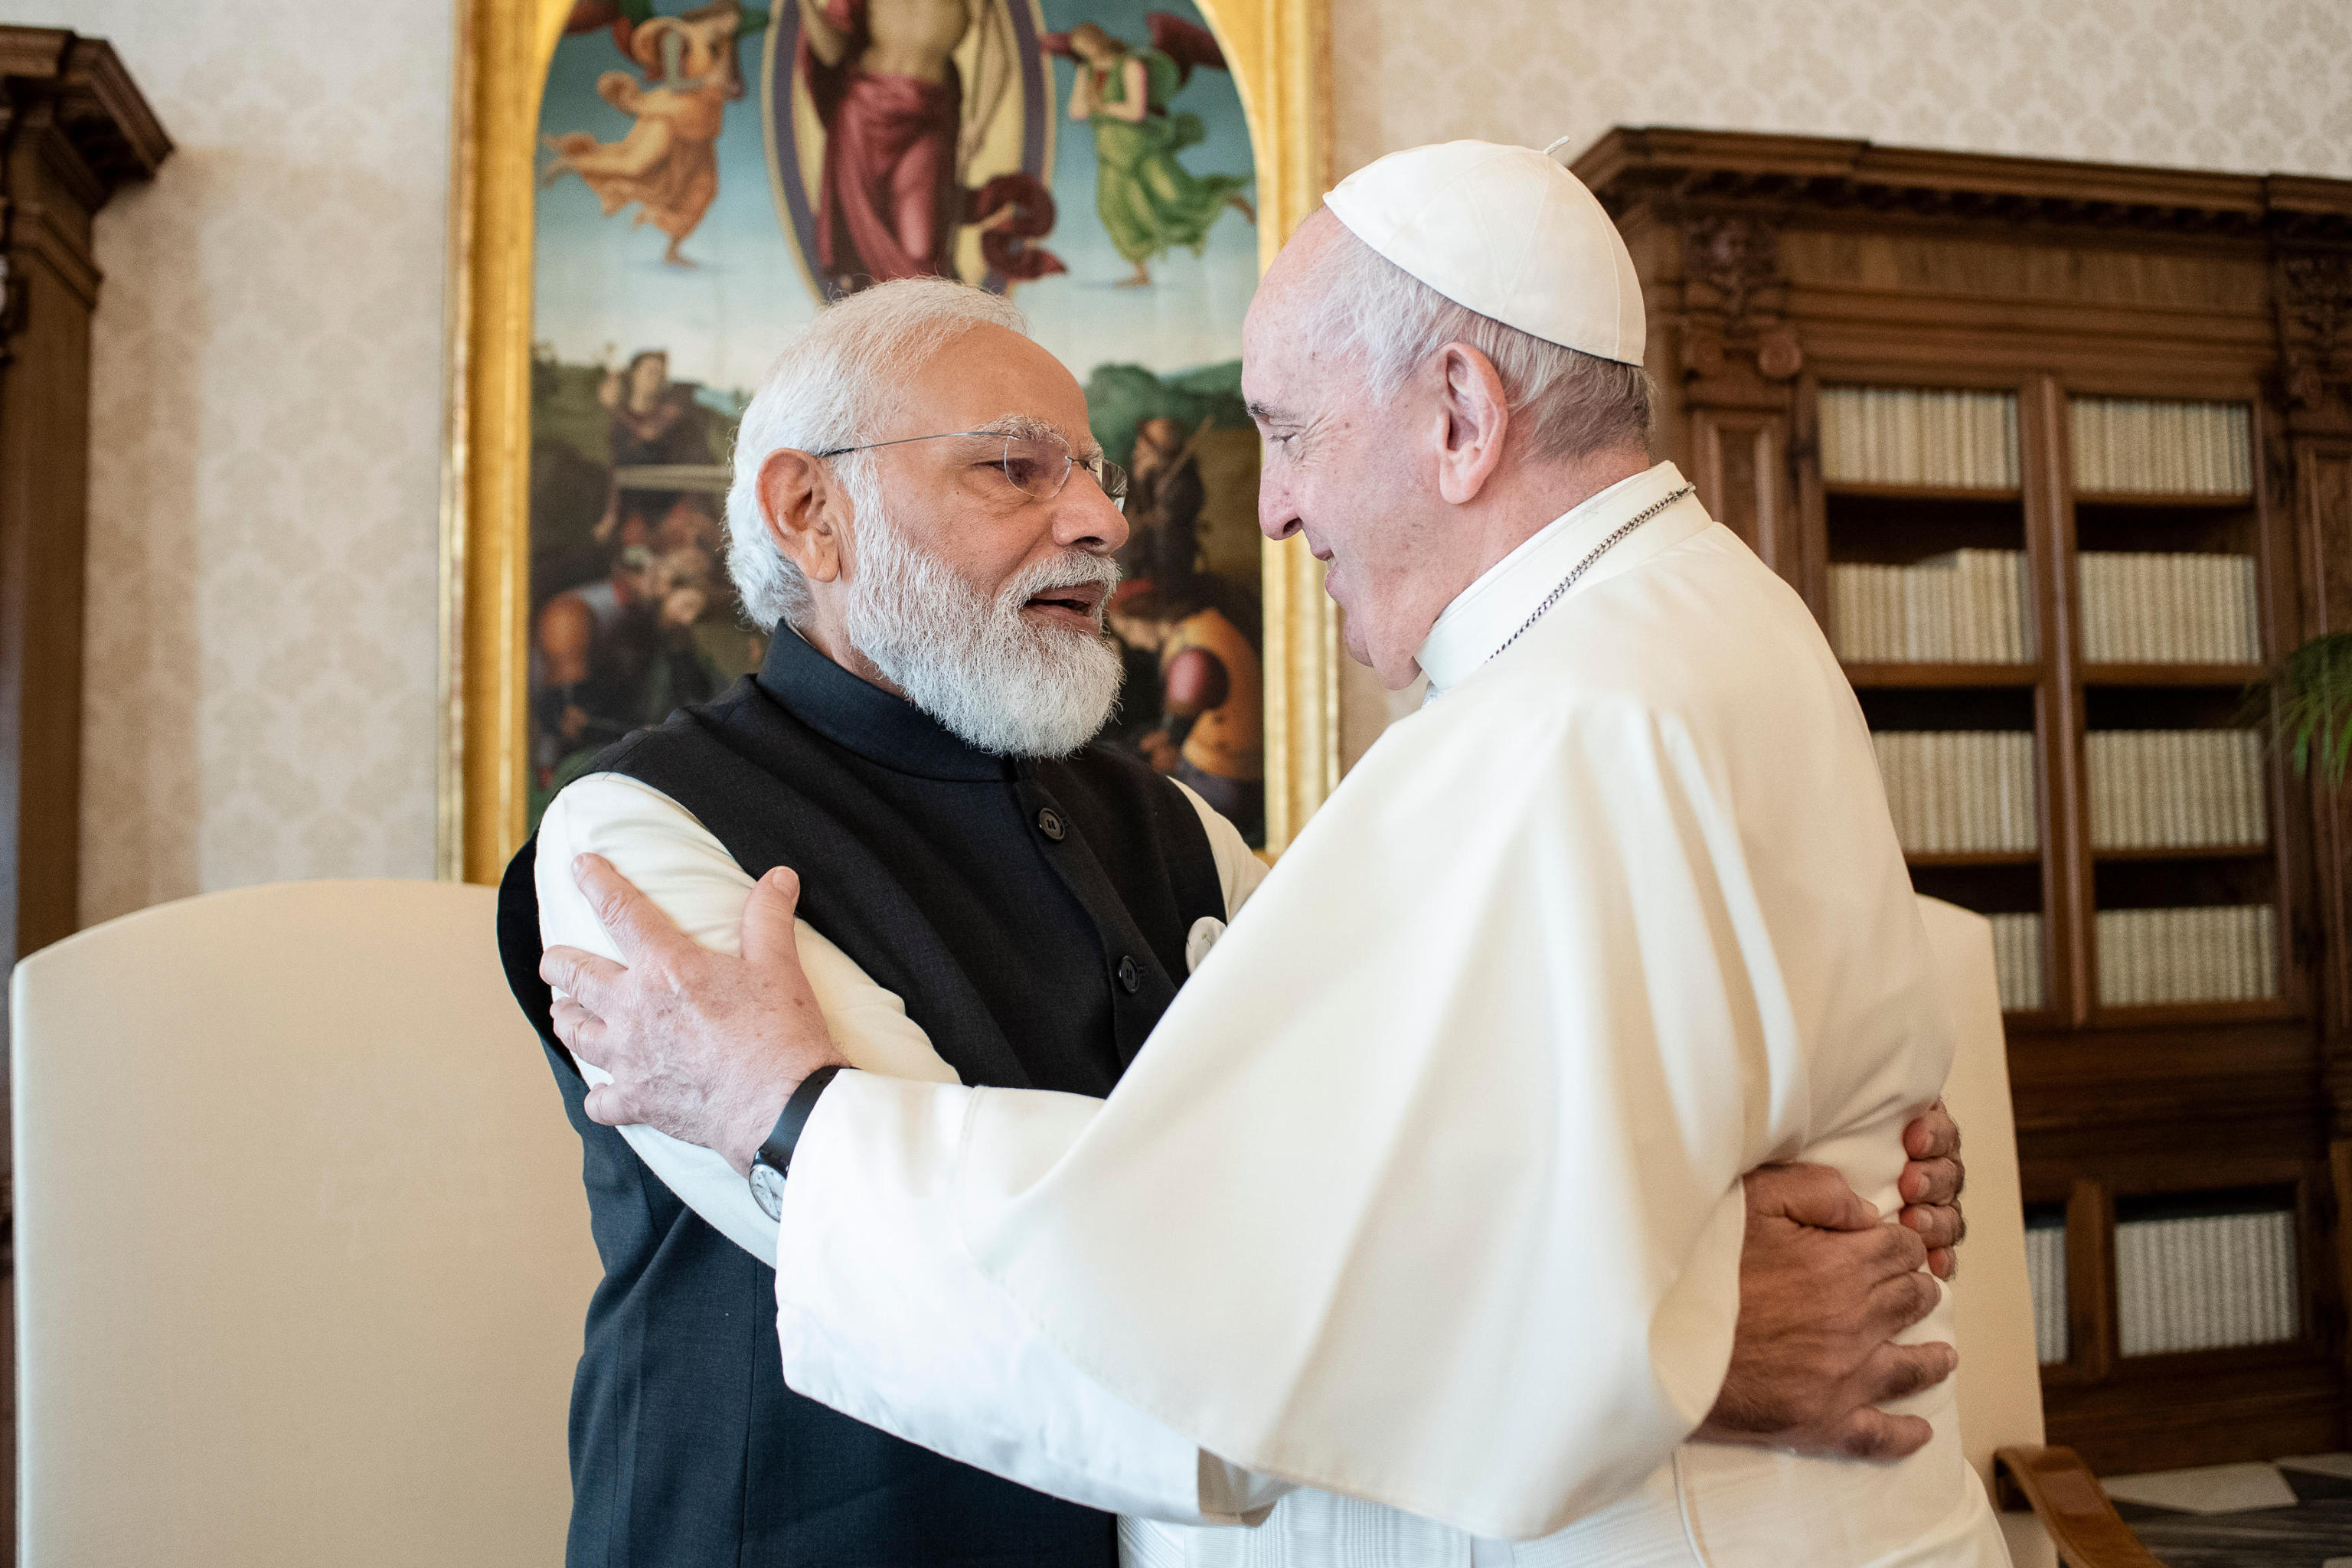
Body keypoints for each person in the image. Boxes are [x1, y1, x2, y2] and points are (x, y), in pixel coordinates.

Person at [543, 144, 2001, 1565]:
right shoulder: (635, 833)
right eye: (1015, 468)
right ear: (811, 511)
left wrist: (1658, 1290)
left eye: (1283, 434)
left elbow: (1326, 1212)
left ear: (1459, 416)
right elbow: (1157, 1289)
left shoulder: (1231, 801)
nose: (1111, 520)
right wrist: (1676, 1325)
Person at [1052, 19, 1254, 287]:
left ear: (1099, 38)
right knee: (1114, 209)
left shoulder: (1131, 65)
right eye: (1080, 49)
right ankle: (1141, 272)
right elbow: (1076, 111)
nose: (1087, 52)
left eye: (1088, 45)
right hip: (1110, 150)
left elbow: (1136, 111)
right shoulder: (1085, 72)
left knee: (1176, 195)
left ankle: (1228, 197)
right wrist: (1096, 106)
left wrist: (1101, 107)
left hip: (1140, 147)